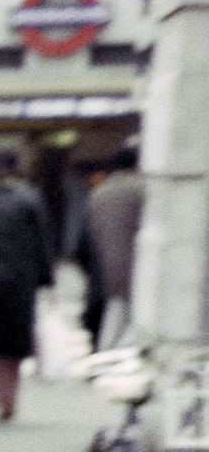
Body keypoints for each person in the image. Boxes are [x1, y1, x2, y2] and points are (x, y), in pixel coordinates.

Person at [0, 144, 56, 423]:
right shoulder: (30, 199)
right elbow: (42, 244)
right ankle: (8, 402)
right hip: (21, 278)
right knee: (14, 344)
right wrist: (48, 281)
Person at [83, 141, 144, 349]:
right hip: (135, 268)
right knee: (124, 322)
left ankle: (105, 355)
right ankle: (107, 359)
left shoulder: (98, 193)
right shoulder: (141, 189)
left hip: (102, 269)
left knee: (113, 315)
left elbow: (88, 234)